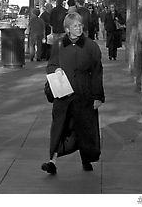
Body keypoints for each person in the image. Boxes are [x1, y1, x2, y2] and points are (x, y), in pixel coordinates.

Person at [42, 12, 105, 175]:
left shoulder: (91, 46)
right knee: (60, 128)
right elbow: (50, 65)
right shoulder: (59, 45)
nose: (79, 28)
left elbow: (97, 72)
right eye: (75, 26)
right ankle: (52, 161)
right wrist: (55, 69)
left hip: (84, 94)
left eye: (80, 25)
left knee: (84, 129)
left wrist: (98, 96)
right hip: (63, 95)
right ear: (68, 29)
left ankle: (86, 159)